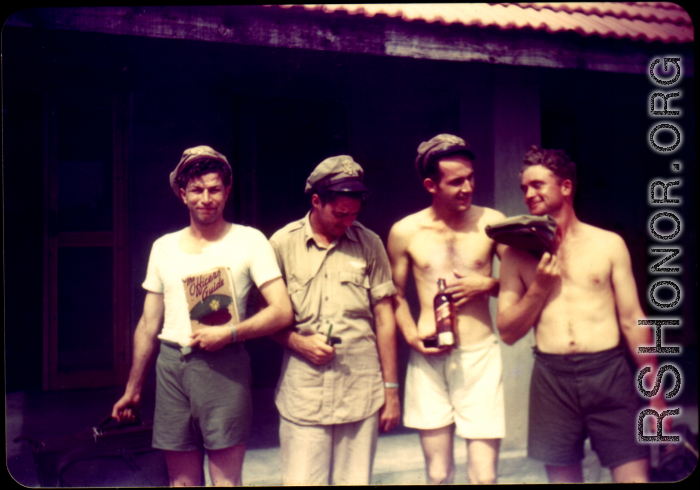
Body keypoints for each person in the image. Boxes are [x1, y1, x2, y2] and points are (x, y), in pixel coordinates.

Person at [112, 145, 293, 486]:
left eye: (214, 189)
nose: (206, 198)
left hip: (224, 366)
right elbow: (149, 324)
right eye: (196, 189)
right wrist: (133, 389)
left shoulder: (250, 240)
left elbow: (282, 311)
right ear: (182, 194)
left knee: (225, 481)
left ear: (227, 192)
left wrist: (231, 333)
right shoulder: (163, 246)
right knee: (181, 482)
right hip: (171, 368)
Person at [496, 146, 667, 483]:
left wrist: (656, 396)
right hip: (552, 379)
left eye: (538, 185)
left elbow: (633, 320)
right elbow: (507, 330)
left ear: (566, 187)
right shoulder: (516, 255)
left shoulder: (608, 244)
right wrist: (540, 287)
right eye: (524, 188)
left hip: (609, 374)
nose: (529, 194)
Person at [268, 155, 400, 485]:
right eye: (340, 214)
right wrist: (297, 342)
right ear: (316, 201)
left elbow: (385, 318)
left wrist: (392, 390)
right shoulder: (282, 243)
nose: (347, 222)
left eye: (354, 214)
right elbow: (265, 315)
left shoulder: (370, 243)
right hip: (304, 394)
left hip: (361, 388)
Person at [387, 134, 507, 484]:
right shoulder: (406, 231)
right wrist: (410, 335)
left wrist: (487, 284)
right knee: (438, 474)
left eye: (470, 177)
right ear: (430, 184)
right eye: (456, 181)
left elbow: (522, 285)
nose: (468, 187)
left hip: (479, 355)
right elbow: (392, 294)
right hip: (428, 355)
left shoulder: (493, 223)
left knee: (484, 477)